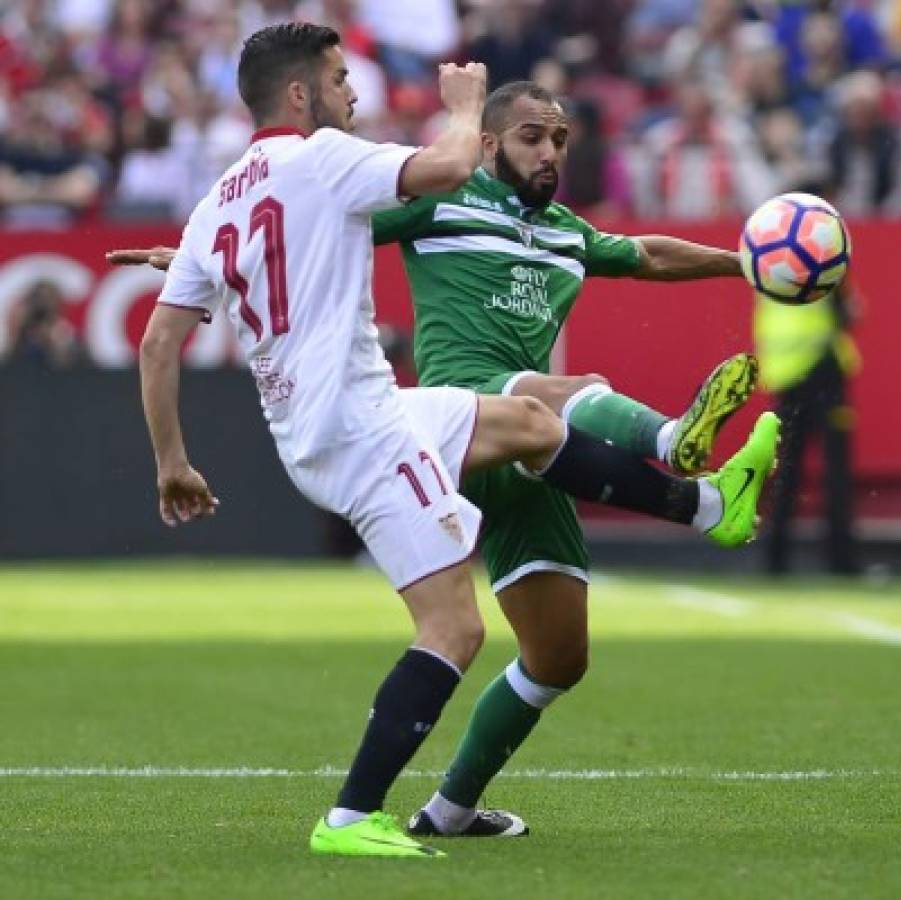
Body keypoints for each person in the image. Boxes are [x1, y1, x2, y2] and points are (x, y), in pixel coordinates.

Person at [124, 23, 777, 859]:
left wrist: (172, 459)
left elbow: (158, 342)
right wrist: (465, 107)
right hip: (359, 430)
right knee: (454, 630)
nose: (353, 92)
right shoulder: (324, 159)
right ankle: (352, 817)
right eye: (337, 78)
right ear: (299, 96)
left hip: (375, 411)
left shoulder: (224, 196)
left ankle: (708, 502)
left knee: (539, 432)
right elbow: (444, 167)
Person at [754, 279, 860, 575]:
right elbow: (847, 314)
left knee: (786, 472)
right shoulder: (824, 263)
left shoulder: (767, 267)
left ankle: (775, 559)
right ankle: (841, 561)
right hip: (823, 372)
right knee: (836, 472)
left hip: (784, 378)